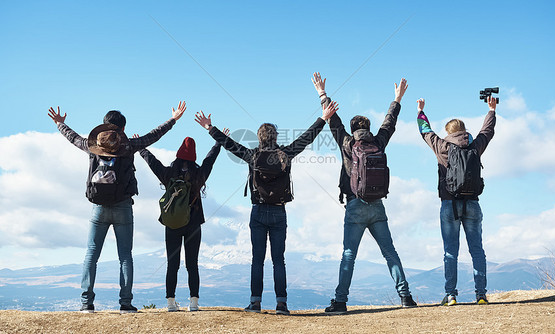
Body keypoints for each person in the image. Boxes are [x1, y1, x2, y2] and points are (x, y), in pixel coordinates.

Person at [194, 101, 338, 315]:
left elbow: (229, 144)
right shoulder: (286, 154)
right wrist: (323, 119)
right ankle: (281, 304)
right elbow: (307, 138)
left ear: (259, 138)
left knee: (257, 260)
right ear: (275, 137)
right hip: (279, 211)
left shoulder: (252, 156)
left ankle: (255, 303)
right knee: (279, 260)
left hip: (258, 211)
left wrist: (209, 128)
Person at [47, 102, 186, 313]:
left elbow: (73, 137)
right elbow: (154, 135)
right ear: (122, 129)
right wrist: (174, 119)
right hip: (123, 206)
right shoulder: (128, 146)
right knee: (125, 256)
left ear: (104, 127)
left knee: (91, 254)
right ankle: (125, 303)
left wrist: (59, 123)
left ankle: (86, 303)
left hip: (98, 207)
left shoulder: (92, 146)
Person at [311, 72, 417, 314]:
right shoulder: (379, 142)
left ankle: (340, 302)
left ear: (353, 129)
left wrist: (322, 93)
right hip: (377, 204)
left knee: (349, 255)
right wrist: (397, 99)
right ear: (368, 129)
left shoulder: (347, 143)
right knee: (390, 252)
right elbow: (390, 122)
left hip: (355, 205)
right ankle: (406, 297)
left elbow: (332, 120)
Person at [416, 96, 497, 306]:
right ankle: (481, 295)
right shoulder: (475, 146)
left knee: (450, 251)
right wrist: (491, 110)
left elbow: (425, 130)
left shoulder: (442, 146)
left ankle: (450, 295)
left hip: (449, 205)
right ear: (464, 131)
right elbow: (487, 131)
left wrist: (420, 112)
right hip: (472, 203)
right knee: (477, 250)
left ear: (449, 132)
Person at [138, 130, 228, 312]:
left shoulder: (169, 173)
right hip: (193, 224)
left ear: (178, 155)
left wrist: (142, 148)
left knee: (173, 263)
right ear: (193, 157)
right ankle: (193, 302)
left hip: (172, 224)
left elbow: (153, 163)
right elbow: (210, 160)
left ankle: (171, 302)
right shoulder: (199, 174)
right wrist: (219, 142)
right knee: (192, 263)